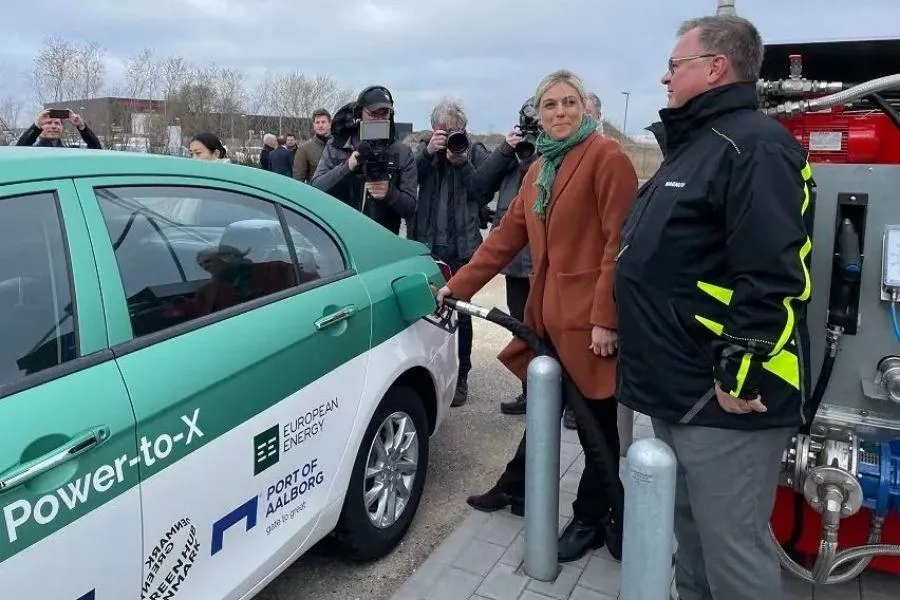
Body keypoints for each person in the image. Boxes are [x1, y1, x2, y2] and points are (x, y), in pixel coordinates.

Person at [614, 15, 814, 600]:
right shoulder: (696, 146)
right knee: (692, 537)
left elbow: (776, 274)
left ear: (715, 67)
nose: (664, 78)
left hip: (727, 398)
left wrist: (740, 370)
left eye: (675, 66)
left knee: (733, 552)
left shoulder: (755, 147)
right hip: (679, 386)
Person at [436, 69, 637, 562]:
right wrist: (453, 288)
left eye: (570, 102)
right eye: (551, 105)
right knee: (550, 409)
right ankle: (524, 487)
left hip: (591, 326)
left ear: (587, 109)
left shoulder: (606, 157)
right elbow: (503, 240)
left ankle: (597, 517)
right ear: (538, 114)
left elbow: (620, 243)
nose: (561, 112)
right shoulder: (538, 169)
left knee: (597, 428)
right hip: (546, 320)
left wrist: (606, 318)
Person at [408, 99, 491, 407]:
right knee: (428, 312)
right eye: (445, 130)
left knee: (463, 314)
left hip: (462, 246)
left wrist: (463, 162)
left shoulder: (475, 151)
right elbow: (407, 180)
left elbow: (483, 190)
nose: (452, 135)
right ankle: (430, 369)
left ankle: (462, 375)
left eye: (457, 129)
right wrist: (428, 152)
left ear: (464, 128)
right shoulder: (423, 149)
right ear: (434, 130)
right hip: (428, 244)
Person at [471, 97, 541, 415]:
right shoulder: (509, 155)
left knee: (555, 329)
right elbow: (478, 189)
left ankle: (565, 399)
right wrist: (504, 152)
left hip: (543, 263)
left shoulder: (554, 153)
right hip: (515, 263)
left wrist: (536, 155)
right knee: (520, 329)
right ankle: (529, 391)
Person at [310, 86, 417, 235]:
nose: (378, 119)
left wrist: (389, 193)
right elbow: (316, 187)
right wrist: (348, 165)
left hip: (384, 238)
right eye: (373, 114)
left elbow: (411, 207)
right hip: (341, 236)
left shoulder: (402, 152)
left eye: (384, 113)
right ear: (359, 113)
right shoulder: (337, 146)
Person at [16, 108, 102, 149]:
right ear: (40, 126)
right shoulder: (33, 152)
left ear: (62, 128)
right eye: (48, 123)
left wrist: (82, 127)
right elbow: (18, 151)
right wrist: (35, 126)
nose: (53, 126)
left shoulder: (71, 152)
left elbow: (97, 149)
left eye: (57, 123)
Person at [293, 109, 331, 182]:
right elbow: (298, 181)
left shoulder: (338, 146)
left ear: (329, 124)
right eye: (317, 122)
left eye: (323, 122)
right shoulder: (304, 149)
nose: (320, 125)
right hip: (316, 191)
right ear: (314, 126)